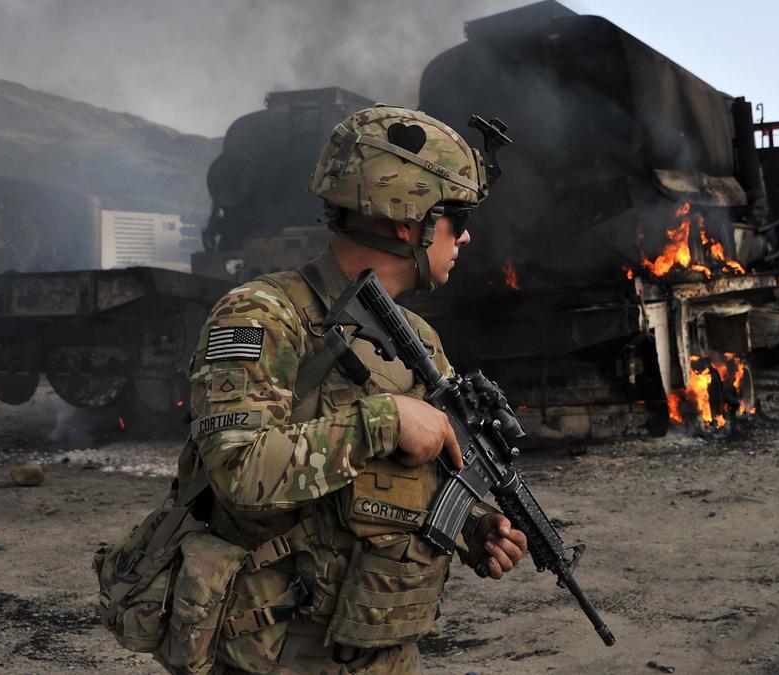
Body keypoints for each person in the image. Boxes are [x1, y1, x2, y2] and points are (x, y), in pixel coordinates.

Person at [174, 105, 528, 674]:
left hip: (380, 648)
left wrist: (473, 526)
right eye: (454, 216)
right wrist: (383, 419)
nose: (465, 235)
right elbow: (239, 472)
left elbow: (411, 479)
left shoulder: (419, 340)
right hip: (271, 652)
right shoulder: (263, 315)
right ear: (404, 221)